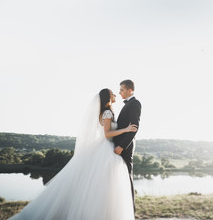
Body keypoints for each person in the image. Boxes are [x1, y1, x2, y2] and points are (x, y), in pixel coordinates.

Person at [8, 88, 138, 220]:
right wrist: (125, 129)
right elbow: (107, 134)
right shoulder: (107, 113)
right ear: (107, 98)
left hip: (105, 148)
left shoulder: (105, 112)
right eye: (112, 94)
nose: (115, 94)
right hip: (106, 148)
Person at [113, 79, 142, 213]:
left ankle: (130, 210)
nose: (119, 93)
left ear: (130, 90)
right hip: (120, 145)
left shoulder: (135, 103)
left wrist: (122, 146)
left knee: (127, 175)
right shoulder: (128, 104)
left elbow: (134, 127)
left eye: (122, 90)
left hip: (125, 146)